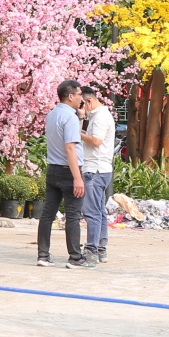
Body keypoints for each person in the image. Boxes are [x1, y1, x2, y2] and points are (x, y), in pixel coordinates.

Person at [38, 80, 93, 268]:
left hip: (53, 169)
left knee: (47, 214)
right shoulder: (69, 117)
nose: (81, 99)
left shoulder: (52, 114)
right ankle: (75, 257)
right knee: (73, 215)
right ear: (70, 96)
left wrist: (80, 117)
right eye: (79, 95)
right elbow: (70, 148)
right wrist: (77, 177)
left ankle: (43, 255)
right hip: (69, 171)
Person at [78, 84, 115, 263]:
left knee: (91, 211)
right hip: (102, 169)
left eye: (81, 104)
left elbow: (96, 141)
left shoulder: (99, 117)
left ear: (89, 101)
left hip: (95, 170)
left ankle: (91, 249)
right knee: (99, 211)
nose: (81, 109)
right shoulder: (102, 115)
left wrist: (79, 133)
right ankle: (101, 247)